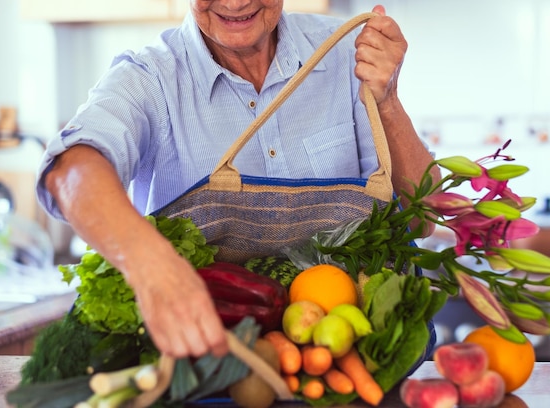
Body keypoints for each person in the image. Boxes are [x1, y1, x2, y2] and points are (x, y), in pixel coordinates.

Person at [35, 1, 440, 360]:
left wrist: (387, 99)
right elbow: (70, 169)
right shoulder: (150, 77)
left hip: (352, 350)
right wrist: (150, 264)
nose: (236, 2)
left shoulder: (343, 51)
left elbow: (422, 220)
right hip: (208, 355)